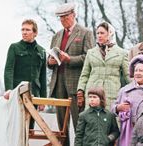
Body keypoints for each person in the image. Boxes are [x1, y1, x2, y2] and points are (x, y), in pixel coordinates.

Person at [47, 3, 94, 144]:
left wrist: (69, 59)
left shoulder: (86, 33)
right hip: (58, 83)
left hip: (76, 84)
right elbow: (49, 61)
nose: (63, 20)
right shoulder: (56, 36)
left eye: (65, 17)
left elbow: (89, 58)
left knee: (79, 123)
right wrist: (50, 62)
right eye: (60, 18)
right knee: (61, 125)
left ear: (74, 14)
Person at [77, 21, 130, 111]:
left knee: (110, 120)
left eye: (102, 33)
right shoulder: (91, 53)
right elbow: (84, 74)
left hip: (111, 93)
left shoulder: (122, 53)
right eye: (97, 33)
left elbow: (127, 75)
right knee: (91, 120)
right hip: (92, 93)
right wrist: (80, 91)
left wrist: (136, 89)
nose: (99, 36)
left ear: (110, 33)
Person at [4, 19, 47, 129]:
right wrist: (8, 89)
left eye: (27, 30)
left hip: (34, 95)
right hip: (17, 93)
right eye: (22, 29)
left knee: (30, 129)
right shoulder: (14, 47)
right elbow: (9, 69)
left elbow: (43, 76)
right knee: (16, 128)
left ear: (35, 33)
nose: (24, 32)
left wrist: (43, 99)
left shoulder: (41, 51)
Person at [111, 54, 143, 146]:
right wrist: (118, 108)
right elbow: (112, 109)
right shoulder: (124, 90)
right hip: (127, 134)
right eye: (136, 70)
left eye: (141, 70)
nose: (137, 73)